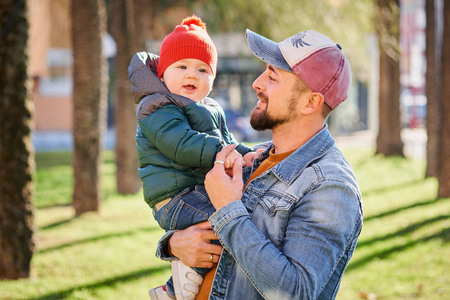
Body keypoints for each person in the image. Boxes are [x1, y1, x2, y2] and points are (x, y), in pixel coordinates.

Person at [156, 28, 364, 300]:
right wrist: (173, 244)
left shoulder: (331, 188)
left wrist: (228, 209)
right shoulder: (257, 157)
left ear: (311, 102)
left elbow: (295, 292)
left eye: (272, 76)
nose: (257, 82)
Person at [128, 16, 259, 300]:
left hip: (197, 190)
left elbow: (228, 143)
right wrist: (228, 154)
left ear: (212, 78)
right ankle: (173, 290)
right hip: (177, 197)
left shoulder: (210, 107)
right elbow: (182, 145)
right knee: (229, 222)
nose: (192, 75)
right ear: (162, 74)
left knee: (233, 222)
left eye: (203, 69)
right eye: (182, 66)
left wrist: (248, 154)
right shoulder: (157, 107)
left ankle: (180, 284)